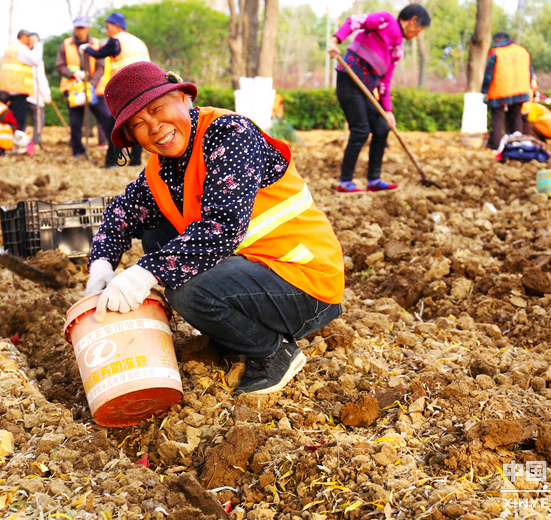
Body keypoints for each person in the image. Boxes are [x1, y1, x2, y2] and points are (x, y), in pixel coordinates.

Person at [85, 62, 345, 395]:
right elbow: (123, 213)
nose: (154, 127)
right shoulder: (161, 166)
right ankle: (235, 332)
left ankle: (274, 353)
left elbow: (223, 226)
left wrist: (142, 274)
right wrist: (101, 266)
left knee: (187, 290)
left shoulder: (228, 133)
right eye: (138, 123)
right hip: (256, 269)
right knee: (156, 236)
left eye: (157, 108)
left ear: (181, 96)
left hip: (305, 281)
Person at [327, 4, 430, 193]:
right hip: (350, 80)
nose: (417, 34)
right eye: (419, 30)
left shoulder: (398, 50)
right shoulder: (386, 21)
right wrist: (335, 41)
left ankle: (373, 180)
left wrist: (388, 111)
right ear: (413, 21)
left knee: (382, 127)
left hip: (367, 87)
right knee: (360, 130)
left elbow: (385, 83)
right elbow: (355, 21)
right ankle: (345, 182)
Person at [81, 11, 151, 166]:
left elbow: (100, 53)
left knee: (114, 127)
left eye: (108, 27)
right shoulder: (138, 41)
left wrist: (87, 49)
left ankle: (111, 162)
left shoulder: (116, 40)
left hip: (126, 90)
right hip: (145, 89)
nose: (107, 31)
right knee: (139, 123)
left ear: (117, 26)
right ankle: (136, 160)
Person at [56, 15, 119, 168]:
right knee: (75, 123)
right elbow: (60, 65)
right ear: (74, 28)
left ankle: (114, 150)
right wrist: (72, 74)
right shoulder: (66, 44)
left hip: (95, 89)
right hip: (75, 90)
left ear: (88, 28)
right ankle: (78, 150)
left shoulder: (97, 43)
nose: (80, 30)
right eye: (78, 27)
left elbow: (100, 66)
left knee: (106, 119)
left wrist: (91, 84)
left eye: (83, 27)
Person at [481, 31, 536, 150]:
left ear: (497, 40)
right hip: (521, 90)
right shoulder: (523, 51)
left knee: (498, 118)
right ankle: (516, 145)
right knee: (516, 117)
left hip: (499, 91)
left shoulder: (496, 53)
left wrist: (484, 91)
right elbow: (530, 72)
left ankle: (496, 147)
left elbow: (488, 75)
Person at [0, 29, 42, 132]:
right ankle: (16, 145)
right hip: (18, 90)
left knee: (8, 120)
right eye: (29, 39)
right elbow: (36, 60)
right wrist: (37, 44)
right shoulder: (20, 48)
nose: (29, 43)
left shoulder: (10, 48)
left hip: (7, 89)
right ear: (23, 37)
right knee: (18, 121)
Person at [26, 32, 51, 148]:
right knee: (38, 119)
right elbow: (40, 76)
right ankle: (35, 142)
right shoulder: (35, 58)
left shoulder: (25, 55)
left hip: (25, 93)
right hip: (34, 94)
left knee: (25, 120)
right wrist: (46, 93)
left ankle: (24, 142)